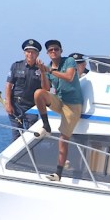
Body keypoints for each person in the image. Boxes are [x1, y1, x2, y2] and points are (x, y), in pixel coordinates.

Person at [33, 40, 85, 182]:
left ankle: (58, 173)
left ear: (61, 50)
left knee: (63, 139)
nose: (53, 52)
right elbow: (46, 88)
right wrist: (43, 72)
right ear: (47, 53)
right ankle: (46, 126)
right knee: (38, 93)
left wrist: (50, 71)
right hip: (60, 101)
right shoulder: (49, 67)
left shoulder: (68, 61)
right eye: (50, 50)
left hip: (72, 105)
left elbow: (69, 77)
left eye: (56, 49)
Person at [4, 39, 44, 139]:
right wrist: (8, 103)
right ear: (24, 53)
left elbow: (45, 88)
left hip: (32, 107)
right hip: (16, 105)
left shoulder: (41, 69)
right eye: (28, 52)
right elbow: (8, 85)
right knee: (17, 135)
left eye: (33, 52)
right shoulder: (16, 66)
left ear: (37, 54)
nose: (30, 54)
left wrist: (43, 71)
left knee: (32, 135)